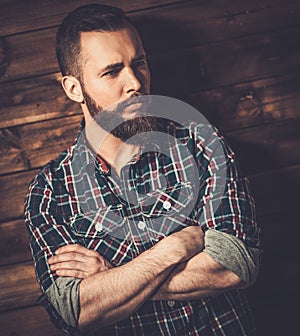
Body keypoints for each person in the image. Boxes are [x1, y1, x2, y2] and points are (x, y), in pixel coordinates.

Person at [24, 4, 260, 335]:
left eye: (139, 64)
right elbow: (75, 311)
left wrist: (110, 276)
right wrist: (172, 250)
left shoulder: (200, 143)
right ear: (74, 88)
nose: (135, 82)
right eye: (111, 71)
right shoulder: (50, 192)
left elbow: (236, 265)